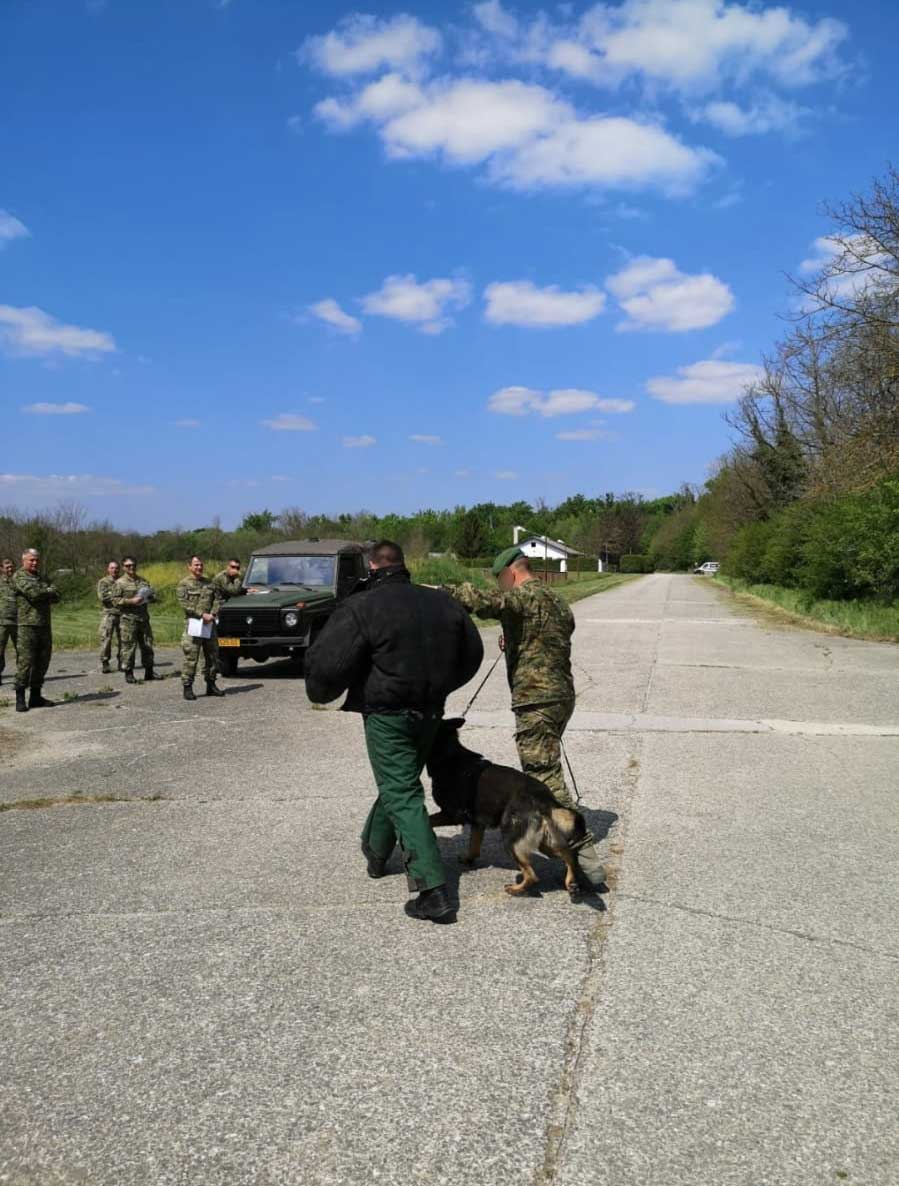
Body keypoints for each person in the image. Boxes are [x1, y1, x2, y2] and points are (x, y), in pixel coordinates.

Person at [305, 539, 483, 925]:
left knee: (401, 789)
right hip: (430, 711)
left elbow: (327, 664)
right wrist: (441, 686)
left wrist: (322, 693)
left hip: (388, 715)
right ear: (402, 565)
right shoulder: (442, 603)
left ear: (372, 567)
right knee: (398, 781)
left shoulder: (362, 606)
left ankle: (432, 890)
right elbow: (473, 654)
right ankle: (375, 848)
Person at [444, 546, 607, 892]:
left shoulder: (521, 596)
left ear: (511, 574)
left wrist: (443, 592)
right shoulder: (558, 601)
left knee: (543, 775)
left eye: (501, 581)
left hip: (536, 699)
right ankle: (563, 845)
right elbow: (555, 634)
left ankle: (585, 862)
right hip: (562, 695)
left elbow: (487, 602)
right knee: (546, 768)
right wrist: (519, 638)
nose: (502, 587)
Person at [12, 548, 59, 712]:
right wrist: (48, 591)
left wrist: (47, 592)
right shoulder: (19, 576)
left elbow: (57, 595)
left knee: (43, 661)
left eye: (37, 560)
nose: (34, 563)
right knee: (26, 662)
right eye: (31, 560)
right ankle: (20, 697)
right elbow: (33, 594)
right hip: (27, 625)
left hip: (44, 625)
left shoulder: (42, 576)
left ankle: (35, 696)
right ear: (23, 560)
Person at [176, 556, 225, 701]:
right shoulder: (183, 584)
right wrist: (202, 615)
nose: (199, 567)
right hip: (194, 624)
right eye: (196, 565)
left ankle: (211, 684)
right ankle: (187, 687)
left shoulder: (210, 583)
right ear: (189, 566)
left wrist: (213, 613)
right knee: (191, 657)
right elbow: (185, 605)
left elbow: (218, 599)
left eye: (201, 565)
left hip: (209, 624)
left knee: (212, 656)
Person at [113, 557, 158, 684]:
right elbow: (115, 601)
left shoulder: (143, 581)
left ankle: (149, 671)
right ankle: (129, 672)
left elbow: (152, 596)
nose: (131, 568)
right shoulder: (120, 583)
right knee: (129, 647)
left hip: (143, 619)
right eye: (128, 566)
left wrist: (151, 597)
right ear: (123, 567)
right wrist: (130, 601)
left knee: (147, 645)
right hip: (128, 620)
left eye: (133, 565)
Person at [97, 560, 123, 674]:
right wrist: (118, 595)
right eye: (112, 568)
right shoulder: (103, 582)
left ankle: (122, 661)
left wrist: (112, 595)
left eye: (116, 568)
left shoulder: (122, 581)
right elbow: (103, 597)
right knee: (106, 639)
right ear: (108, 569)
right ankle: (105, 662)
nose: (114, 570)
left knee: (123, 640)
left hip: (122, 614)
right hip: (109, 614)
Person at [0, 557, 17, 687]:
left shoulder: (18, 581)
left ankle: (22, 676)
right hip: (2, 622)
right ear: (1, 569)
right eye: (7, 567)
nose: (10, 569)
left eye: (11, 567)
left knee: (22, 651)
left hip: (18, 622)